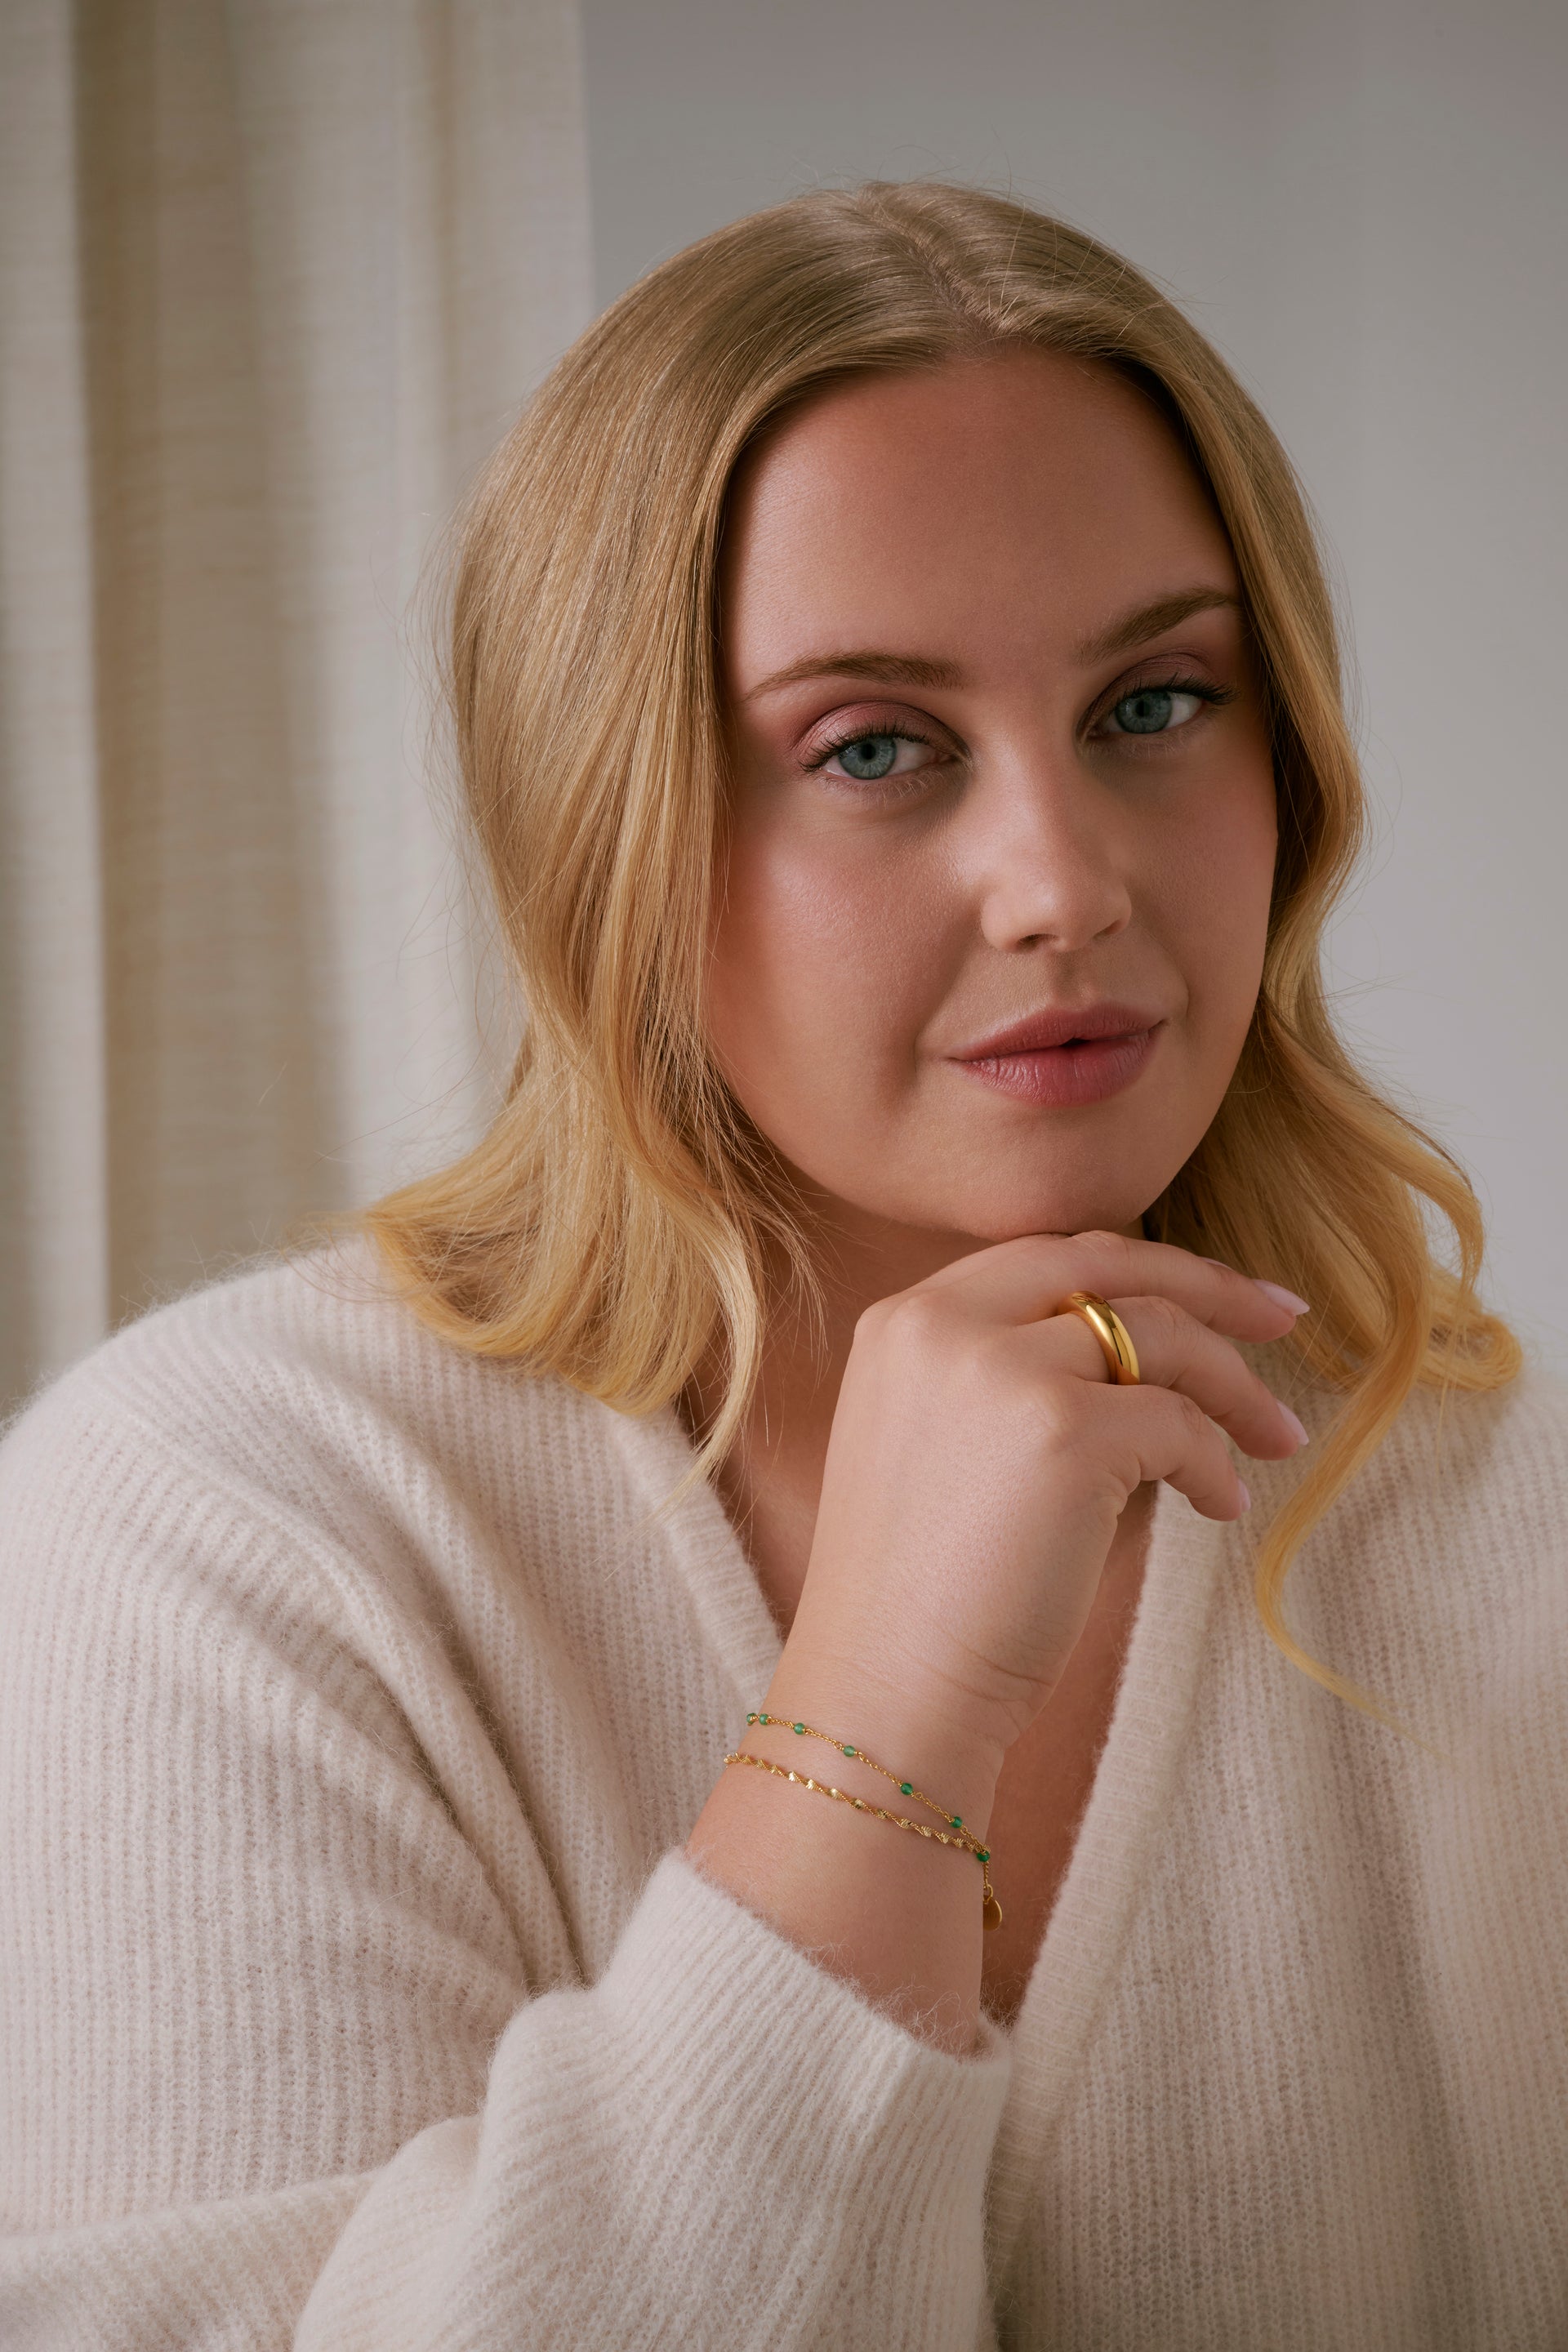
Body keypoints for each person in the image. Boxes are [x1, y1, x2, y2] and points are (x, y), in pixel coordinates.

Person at [1, 181, 1562, 2350]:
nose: (1063, 882)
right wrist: (878, 1721)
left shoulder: (1507, 1520)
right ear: (606, 832)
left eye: (1155, 703)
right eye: (873, 747)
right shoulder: (220, 1536)